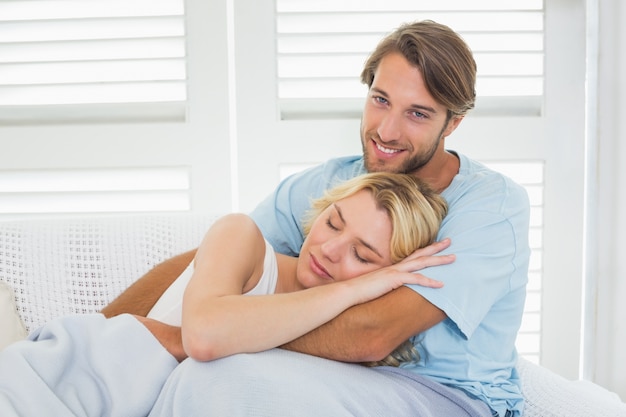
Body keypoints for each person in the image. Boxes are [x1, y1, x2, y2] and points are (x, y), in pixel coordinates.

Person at [106, 20, 531, 417]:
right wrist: (101, 334)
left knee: (218, 375)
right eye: (380, 100)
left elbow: (373, 335)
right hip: (336, 376)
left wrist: (209, 333)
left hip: (444, 396)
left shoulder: (490, 209)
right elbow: (215, 265)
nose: (386, 131)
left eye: (417, 114)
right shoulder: (330, 183)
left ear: (453, 123)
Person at [0, 172, 452, 417]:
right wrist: (354, 285)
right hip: (64, 377)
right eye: (333, 222)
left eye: (362, 254)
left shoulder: (342, 346)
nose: (330, 249)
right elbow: (205, 335)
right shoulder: (244, 239)